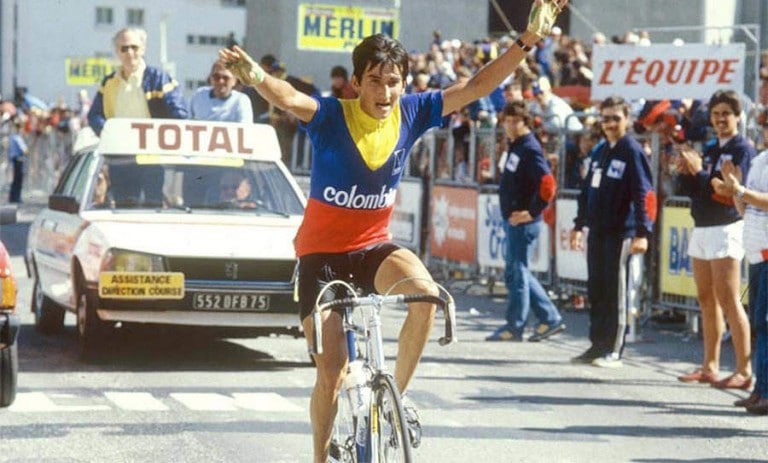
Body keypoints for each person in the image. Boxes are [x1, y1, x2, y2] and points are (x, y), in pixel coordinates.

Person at [219, 1, 567, 460]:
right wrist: (257, 78)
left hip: (372, 248)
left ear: (404, 84)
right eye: (375, 81)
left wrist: (528, 40)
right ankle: (319, 456)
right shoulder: (332, 116)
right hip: (321, 258)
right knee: (332, 373)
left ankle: (394, 401)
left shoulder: (414, 111)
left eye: (393, 82)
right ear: (356, 82)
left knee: (427, 295)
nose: (385, 92)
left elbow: (477, 85)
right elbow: (288, 98)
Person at [569, 95, 657, 368]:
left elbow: (644, 194)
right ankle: (597, 345)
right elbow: (586, 190)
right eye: (605, 119)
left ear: (627, 120)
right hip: (597, 230)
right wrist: (578, 225)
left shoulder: (632, 151)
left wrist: (642, 232)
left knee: (616, 290)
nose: (609, 124)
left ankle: (614, 350)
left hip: (621, 232)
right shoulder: (600, 151)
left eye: (615, 119)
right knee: (597, 289)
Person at [674, 89, 754, 389]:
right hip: (702, 226)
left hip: (726, 227)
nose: (720, 119)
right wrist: (685, 172)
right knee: (706, 298)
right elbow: (700, 189)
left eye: (726, 114)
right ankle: (710, 365)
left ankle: (744, 369)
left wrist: (700, 173)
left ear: (738, 117)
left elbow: (730, 193)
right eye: (716, 114)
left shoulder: (743, 149)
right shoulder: (710, 148)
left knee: (729, 299)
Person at [486, 100, 565, 342]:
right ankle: (549, 317)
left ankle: (515, 325)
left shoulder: (529, 148)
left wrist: (531, 212)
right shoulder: (516, 145)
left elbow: (548, 184)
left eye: (516, 121)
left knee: (517, 273)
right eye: (507, 121)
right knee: (516, 271)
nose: (510, 125)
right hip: (514, 220)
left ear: (526, 122)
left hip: (523, 222)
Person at [712, 153, 768, 414]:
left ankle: (766, 392)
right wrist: (733, 191)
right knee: (760, 324)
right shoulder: (759, 160)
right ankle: (760, 389)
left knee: (765, 324)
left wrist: (740, 190)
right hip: (756, 252)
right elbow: (747, 210)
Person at [87, 27, 188, 136]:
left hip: (152, 144)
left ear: (143, 49)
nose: (130, 52)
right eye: (124, 48)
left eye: (134, 47)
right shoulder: (108, 83)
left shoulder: (159, 78)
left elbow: (179, 113)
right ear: (117, 51)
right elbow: (94, 115)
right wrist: (107, 132)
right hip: (118, 144)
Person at [7, 118, 28, 203]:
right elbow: (25, 150)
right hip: (18, 160)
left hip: (14, 160)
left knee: (15, 179)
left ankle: (12, 197)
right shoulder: (18, 138)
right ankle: (16, 197)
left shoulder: (12, 137)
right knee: (18, 179)